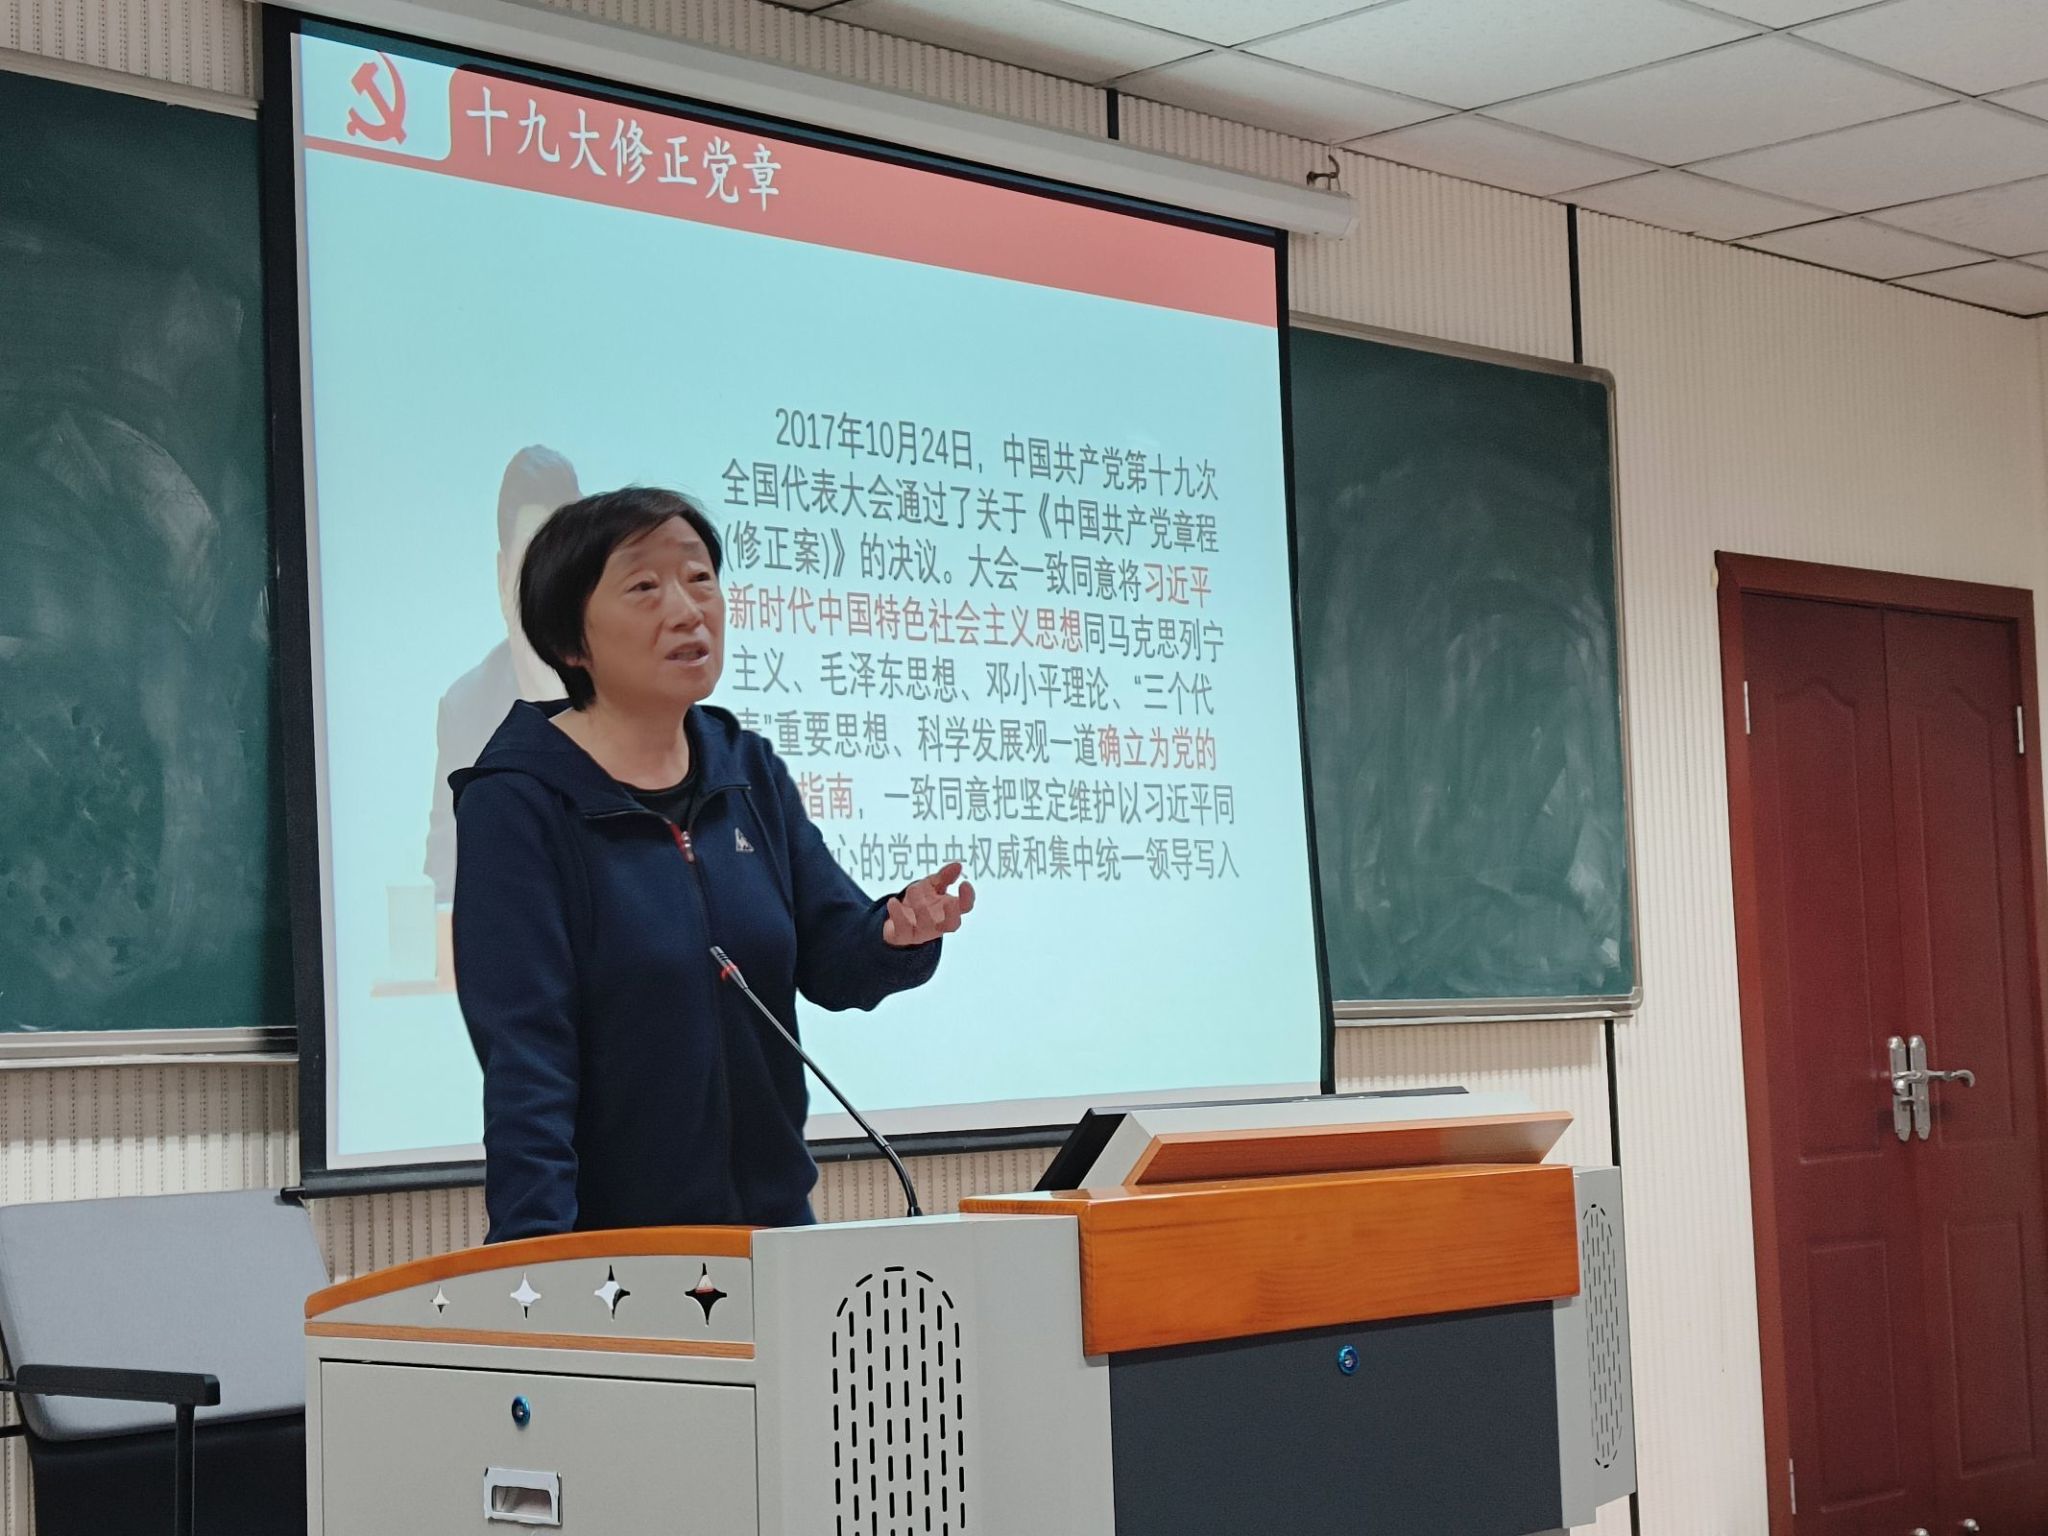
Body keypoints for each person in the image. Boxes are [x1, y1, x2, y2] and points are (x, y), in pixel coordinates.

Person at [451, 487, 973, 1239]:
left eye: (700, 578)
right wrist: (538, 1263)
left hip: (777, 1236)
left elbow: (832, 959)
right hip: (618, 1254)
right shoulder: (520, 803)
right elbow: (527, 1059)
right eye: (643, 586)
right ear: (570, 642)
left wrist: (895, 934)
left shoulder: (745, 770)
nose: (688, 609)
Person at [423, 446, 582, 902]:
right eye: (532, 563)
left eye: (564, 564)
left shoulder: (625, 692)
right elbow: (445, 881)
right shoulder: (466, 707)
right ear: (501, 577)